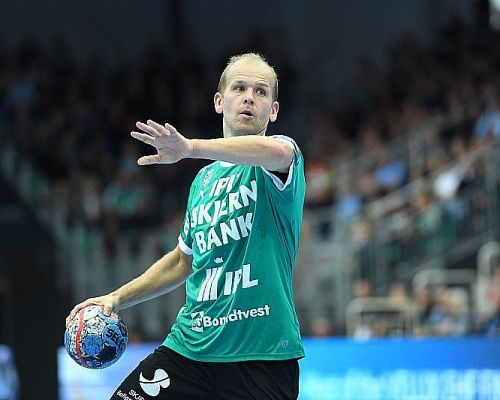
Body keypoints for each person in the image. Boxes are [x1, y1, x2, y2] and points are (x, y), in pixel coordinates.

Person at [66, 53, 305, 400]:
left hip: (261, 357)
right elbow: (183, 260)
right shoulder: (203, 181)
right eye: (239, 88)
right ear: (219, 101)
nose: (249, 97)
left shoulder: (283, 157)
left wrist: (190, 147)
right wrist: (116, 298)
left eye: (261, 91)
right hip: (190, 350)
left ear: (274, 111)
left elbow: (275, 153)